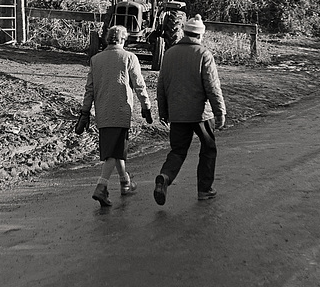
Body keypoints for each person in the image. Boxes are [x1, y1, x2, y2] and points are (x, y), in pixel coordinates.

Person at [153, 14, 226, 204]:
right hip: (201, 113)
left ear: (184, 32)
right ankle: (204, 189)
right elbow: (212, 87)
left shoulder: (169, 54)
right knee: (208, 148)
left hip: (177, 113)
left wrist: (163, 112)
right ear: (200, 35)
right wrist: (220, 111)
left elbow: (161, 86)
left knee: (177, 151)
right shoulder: (203, 54)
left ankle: (165, 177)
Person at [78, 24, 153, 207]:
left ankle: (125, 182)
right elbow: (139, 85)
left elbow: (89, 89)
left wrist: (85, 112)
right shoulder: (129, 57)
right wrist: (146, 106)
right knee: (113, 151)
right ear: (123, 39)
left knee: (116, 148)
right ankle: (101, 187)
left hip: (102, 111)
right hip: (121, 110)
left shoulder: (96, 60)